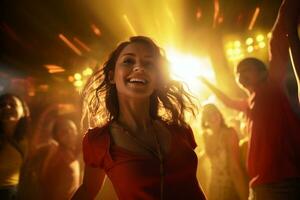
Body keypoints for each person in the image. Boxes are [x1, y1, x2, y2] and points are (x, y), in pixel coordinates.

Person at [72, 36, 206, 200]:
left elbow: (193, 186)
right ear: (112, 76)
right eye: (128, 61)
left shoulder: (180, 130)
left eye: (148, 63)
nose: (139, 68)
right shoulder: (99, 141)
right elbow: (87, 191)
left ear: (157, 79)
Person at [201, 1, 300, 199]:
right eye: (238, 73)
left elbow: (276, 42)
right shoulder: (249, 104)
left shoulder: (272, 86)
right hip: (259, 184)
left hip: (282, 183)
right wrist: (206, 82)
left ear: (263, 72)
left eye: (246, 69)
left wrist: (287, 7)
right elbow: (228, 102)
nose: (240, 74)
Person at [201, 103, 248, 200]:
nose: (212, 116)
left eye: (214, 112)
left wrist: (244, 196)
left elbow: (235, 169)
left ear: (219, 114)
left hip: (231, 188)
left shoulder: (229, 133)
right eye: (208, 115)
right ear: (204, 120)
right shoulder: (206, 136)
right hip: (213, 189)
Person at [39, 118, 81, 200]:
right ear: (57, 136)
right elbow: (45, 183)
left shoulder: (71, 154)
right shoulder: (57, 155)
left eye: (72, 129)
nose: (69, 133)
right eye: (64, 131)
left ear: (76, 132)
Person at [0, 93, 30, 200]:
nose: (7, 107)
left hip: (13, 193)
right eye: (2, 105)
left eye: (12, 105)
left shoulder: (27, 139)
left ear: (23, 112)